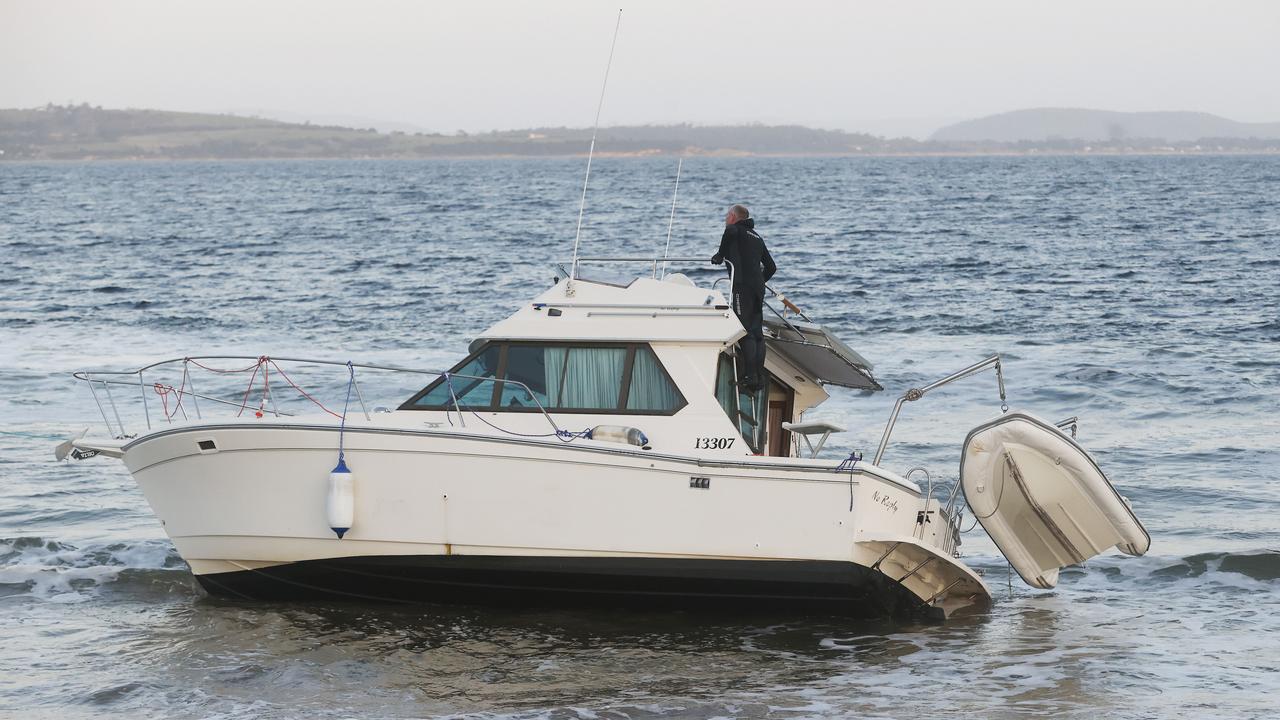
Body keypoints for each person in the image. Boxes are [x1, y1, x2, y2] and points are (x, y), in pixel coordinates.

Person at [711, 204, 776, 392]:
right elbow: (771, 268)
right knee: (757, 334)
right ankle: (758, 377)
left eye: (726, 215)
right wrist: (759, 282)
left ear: (733, 216)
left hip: (742, 287)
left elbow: (730, 231)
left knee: (745, 330)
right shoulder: (757, 237)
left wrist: (720, 255)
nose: (725, 219)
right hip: (757, 289)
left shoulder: (735, 229)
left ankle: (749, 376)